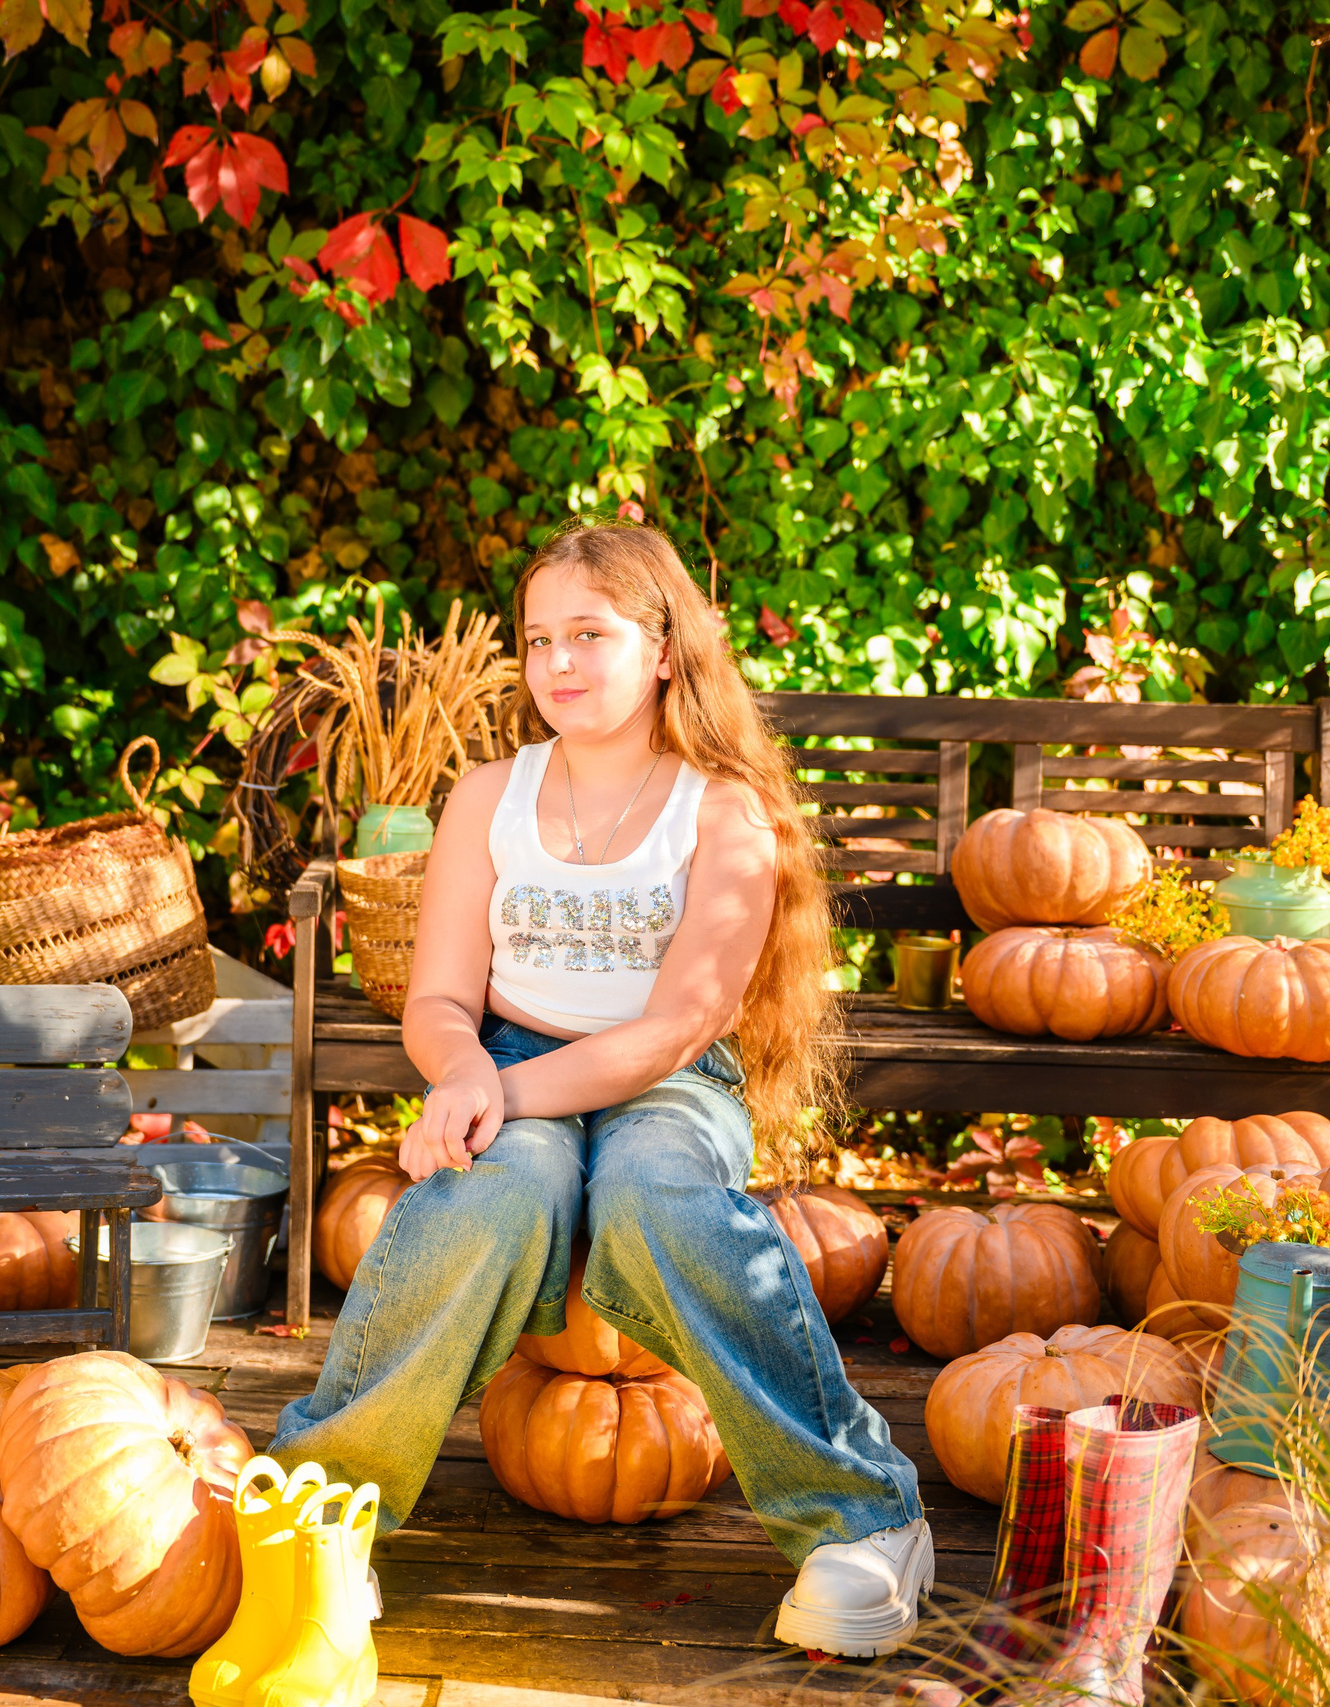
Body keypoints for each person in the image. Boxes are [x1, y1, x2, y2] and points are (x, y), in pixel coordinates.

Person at [269, 519, 932, 1657]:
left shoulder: (723, 812)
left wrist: (508, 1099)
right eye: (538, 641)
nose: (559, 664)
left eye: (591, 634)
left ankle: (863, 1518)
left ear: (664, 648)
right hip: (508, 1060)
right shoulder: (487, 797)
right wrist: (469, 1069)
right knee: (489, 1193)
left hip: (667, 1086)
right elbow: (436, 1001)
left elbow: (678, 1026)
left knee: (656, 1189)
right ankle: (319, 1513)